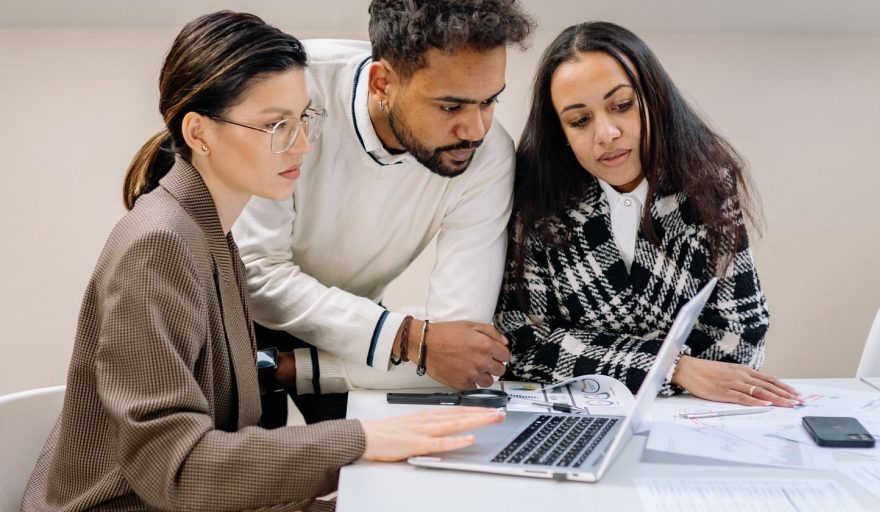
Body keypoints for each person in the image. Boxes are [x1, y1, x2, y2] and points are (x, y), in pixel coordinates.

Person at [21, 12, 503, 512]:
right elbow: (178, 469)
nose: (303, 145)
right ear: (199, 133)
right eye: (276, 125)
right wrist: (362, 440)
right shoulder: (158, 246)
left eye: (304, 120)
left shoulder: (212, 236)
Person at [232, 0, 535, 426]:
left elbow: (458, 349)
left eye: (489, 102)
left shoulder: (490, 155)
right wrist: (411, 337)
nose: (476, 130)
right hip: (241, 322)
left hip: (362, 323)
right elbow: (256, 275)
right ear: (381, 83)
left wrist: (416, 343)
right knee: (252, 481)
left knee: (371, 475)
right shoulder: (293, 92)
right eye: (450, 107)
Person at [495, 21, 802, 407]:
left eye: (621, 106)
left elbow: (742, 341)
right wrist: (673, 366)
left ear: (653, 100)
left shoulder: (708, 185)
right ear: (561, 133)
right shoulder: (535, 201)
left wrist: (587, 353)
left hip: (688, 416)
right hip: (573, 416)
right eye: (579, 120)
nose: (605, 133)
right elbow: (522, 342)